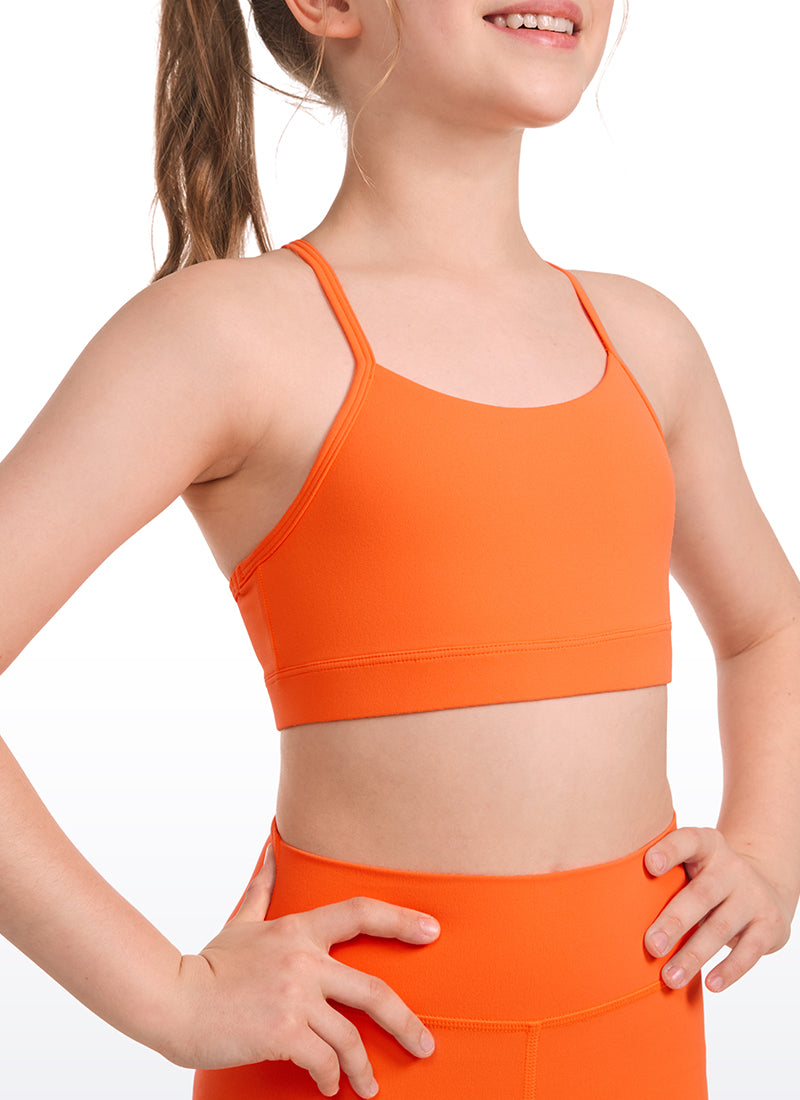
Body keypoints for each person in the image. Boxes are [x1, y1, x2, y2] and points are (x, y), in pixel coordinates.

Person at [1, 1, 798, 1097]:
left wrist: (766, 849)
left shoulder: (647, 344)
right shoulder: (228, 337)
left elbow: (766, 624)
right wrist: (170, 996)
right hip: (352, 1054)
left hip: (642, 1036)